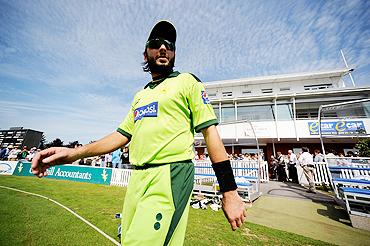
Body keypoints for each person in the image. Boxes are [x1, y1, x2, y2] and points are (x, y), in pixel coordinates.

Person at [31, 20, 246, 245]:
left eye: (169, 45)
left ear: (173, 54)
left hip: (170, 175)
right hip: (137, 180)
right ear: (146, 54)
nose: (163, 48)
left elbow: (210, 134)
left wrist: (229, 191)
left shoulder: (187, 82)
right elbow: (121, 135)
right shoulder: (140, 96)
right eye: (156, 43)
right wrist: (73, 153)